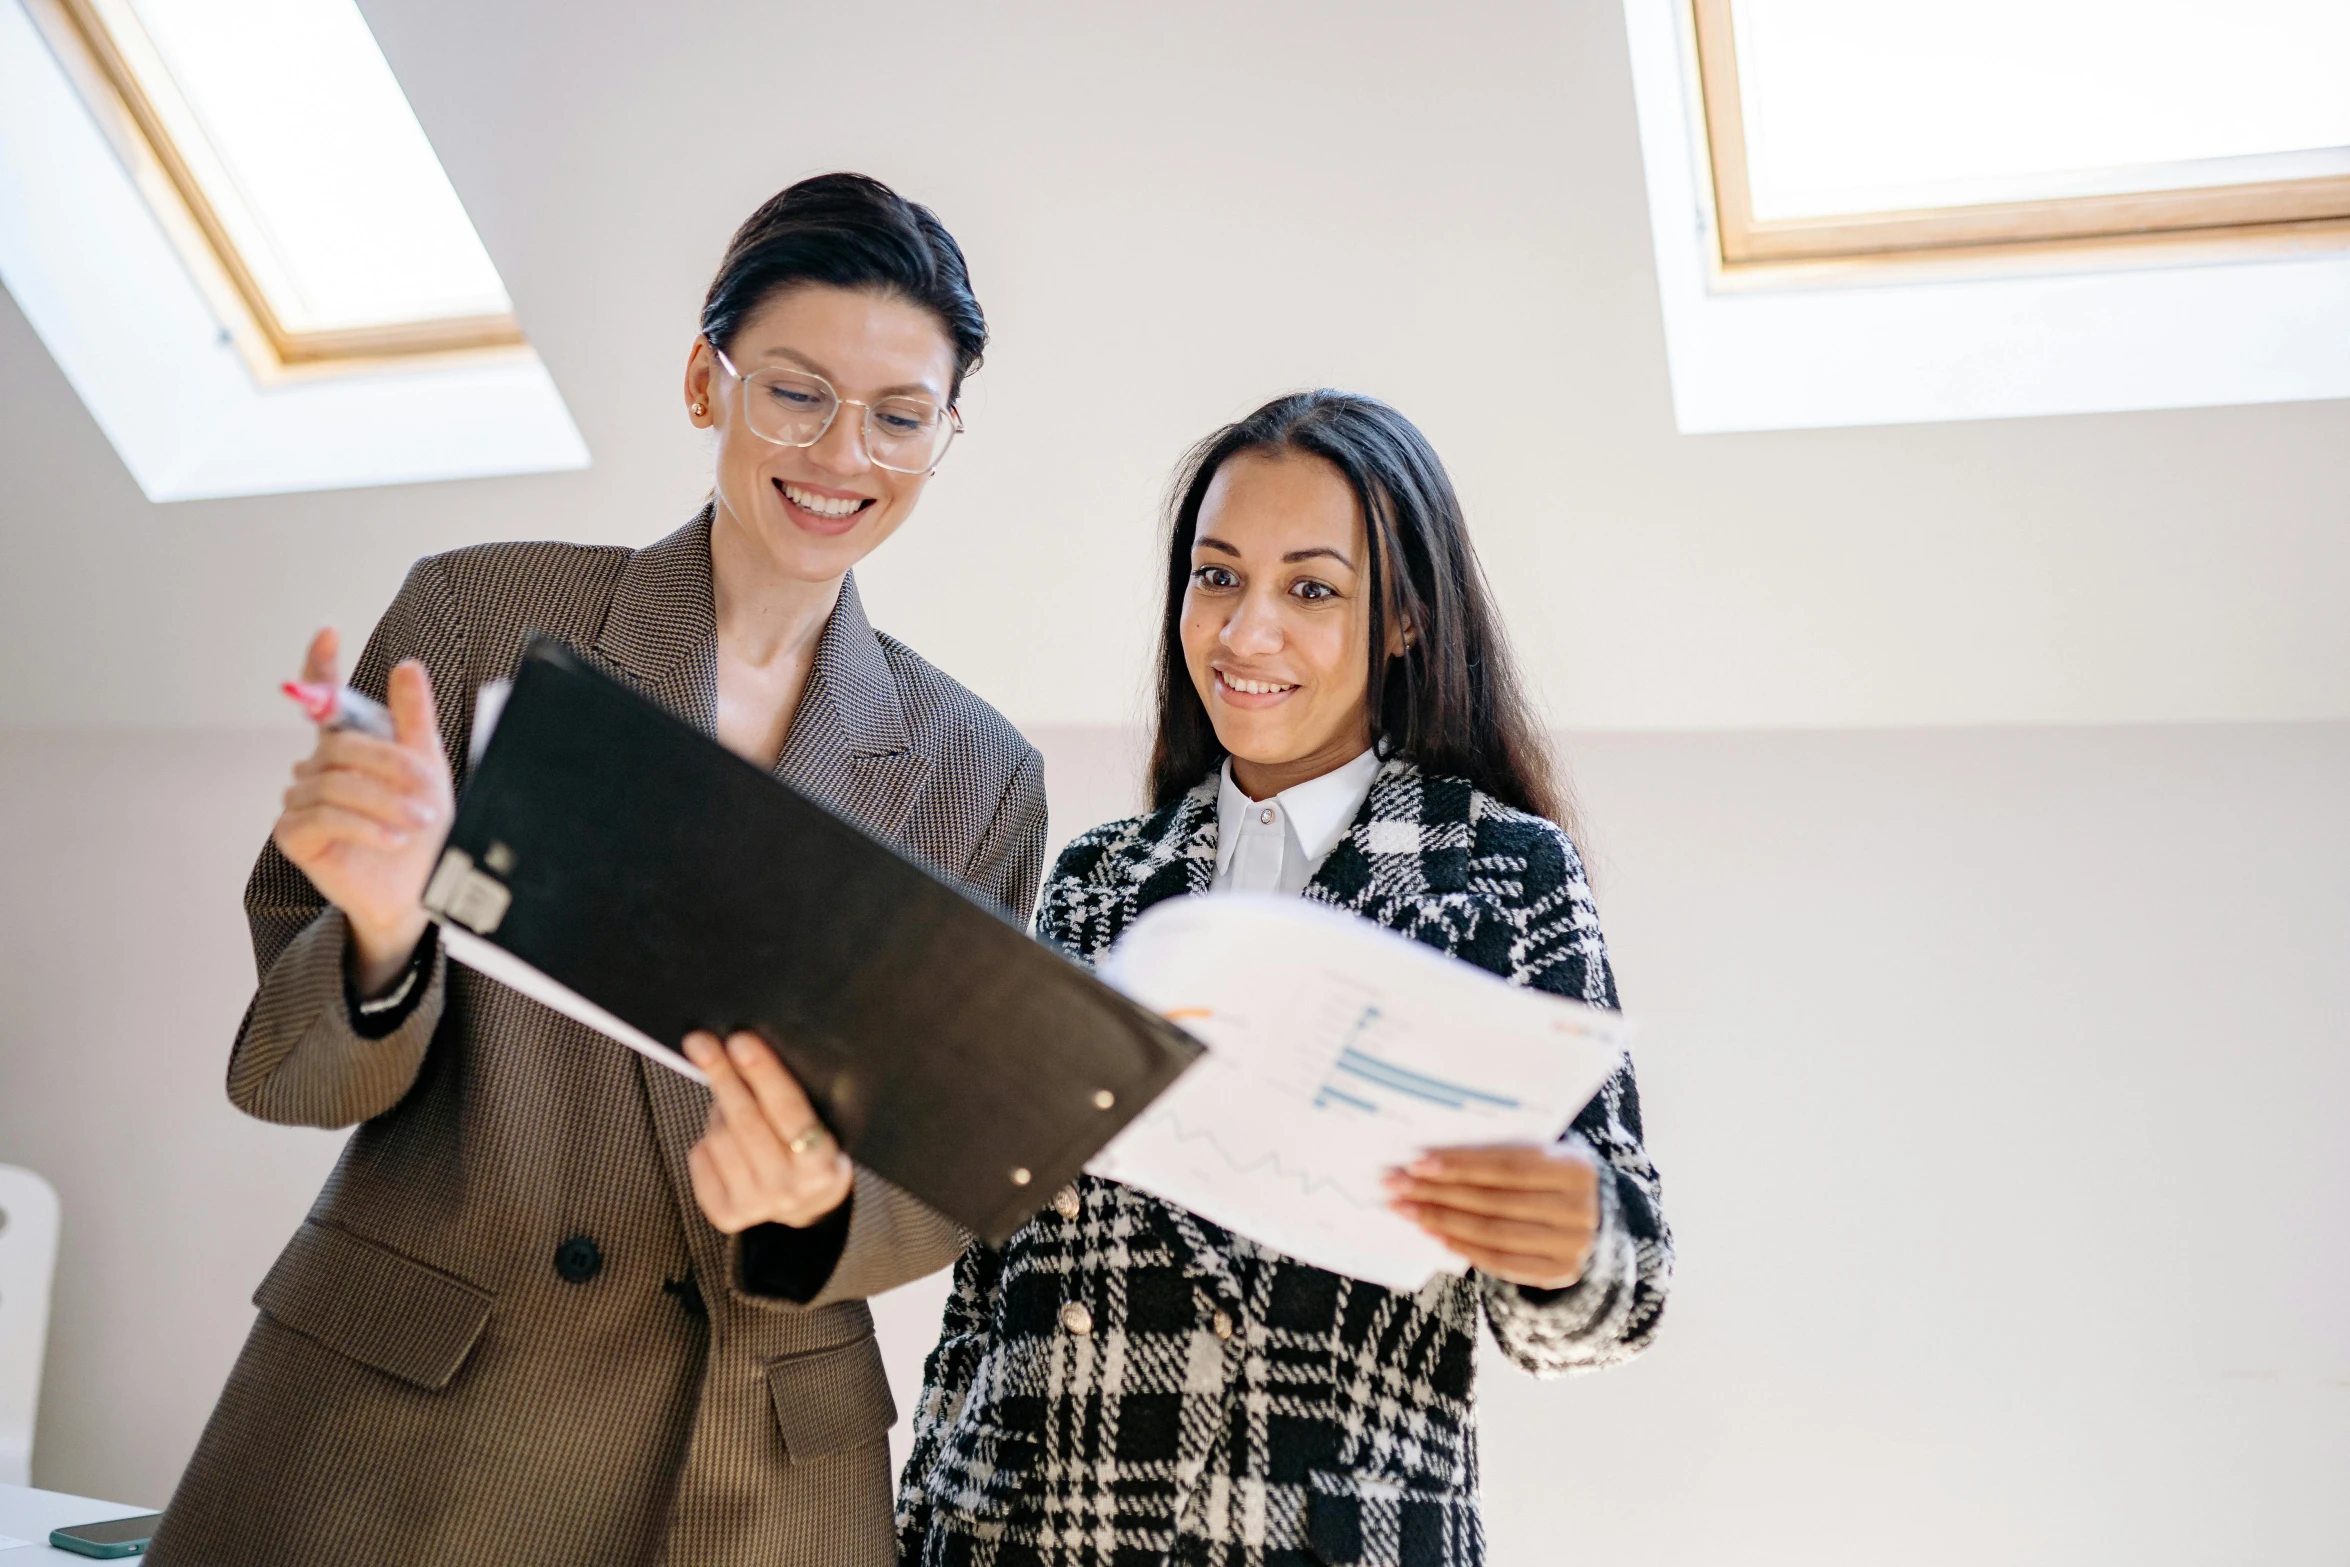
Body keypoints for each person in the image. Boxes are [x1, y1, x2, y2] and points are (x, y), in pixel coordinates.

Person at [149, 174, 1042, 1567]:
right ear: (706, 380)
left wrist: (816, 1198)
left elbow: (937, 1166)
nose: (841, 452)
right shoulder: (486, 615)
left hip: (747, 1470)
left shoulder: (976, 772)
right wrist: (384, 932)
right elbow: (291, 1072)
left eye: (899, 414)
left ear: (945, 434)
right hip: (411, 1416)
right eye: (794, 392)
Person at [896, 392, 1672, 1567]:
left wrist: (1571, 1240)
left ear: (1404, 619)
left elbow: (1623, 1292)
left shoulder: (1499, 868)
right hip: (1022, 1527)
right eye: (1216, 577)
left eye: (1311, 589)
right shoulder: (1096, 879)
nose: (1245, 632)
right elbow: (993, 1270)